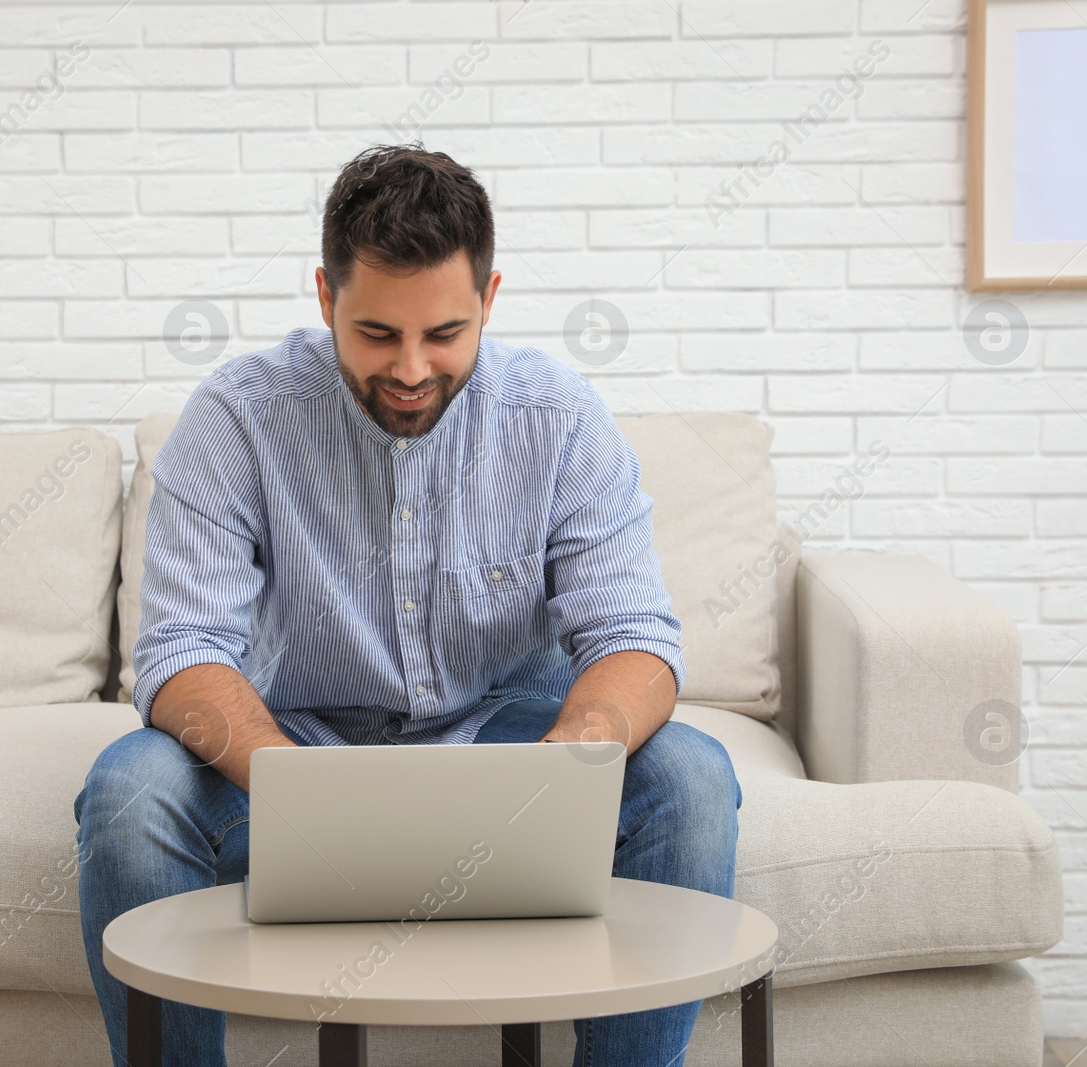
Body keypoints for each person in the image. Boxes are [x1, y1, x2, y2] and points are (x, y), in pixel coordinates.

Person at [74, 144, 741, 1067]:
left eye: (446, 333)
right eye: (378, 334)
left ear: (491, 299)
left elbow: (633, 638)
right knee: (128, 792)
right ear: (325, 298)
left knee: (694, 780)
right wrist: (312, 798)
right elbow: (184, 650)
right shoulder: (235, 419)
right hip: (292, 746)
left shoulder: (559, 418)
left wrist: (568, 765)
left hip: (508, 751)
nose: (414, 368)